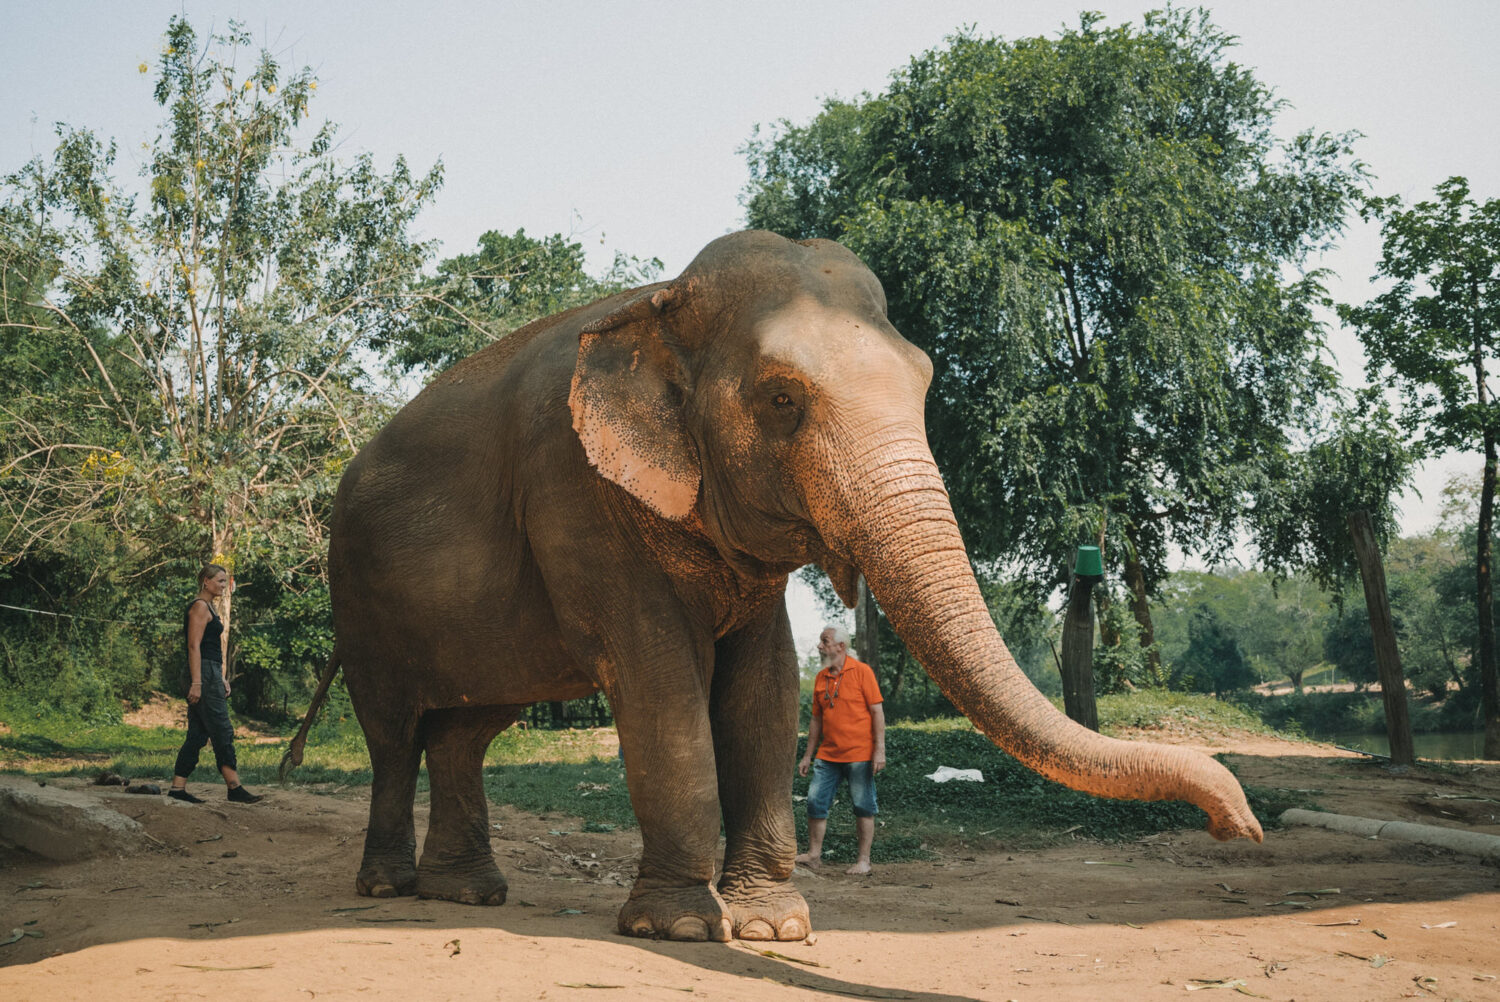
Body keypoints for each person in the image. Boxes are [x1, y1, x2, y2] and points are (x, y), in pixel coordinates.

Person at [795, 625, 885, 875]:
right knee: (815, 802)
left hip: (859, 754)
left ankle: (864, 861)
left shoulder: (862, 672)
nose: (820, 646)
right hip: (828, 755)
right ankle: (814, 856)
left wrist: (879, 751)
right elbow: (816, 720)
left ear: (840, 646)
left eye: (825, 641)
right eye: (821, 641)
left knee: (863, 806)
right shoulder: (821, 677)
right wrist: (807, 755)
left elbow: (877, 712)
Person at [169, 564, 262, 805]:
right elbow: (194, 646)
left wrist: (221, 677)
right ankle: (234, 787)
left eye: (225, 581)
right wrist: (198, 682)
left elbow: (211, 650)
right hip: (201, 674)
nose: (223, 586)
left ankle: (178, 789)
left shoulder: (209, 607)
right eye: (220, 581)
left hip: (209, 673)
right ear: (206, 582)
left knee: (198, 734)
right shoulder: (199, 607)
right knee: (222, 730)